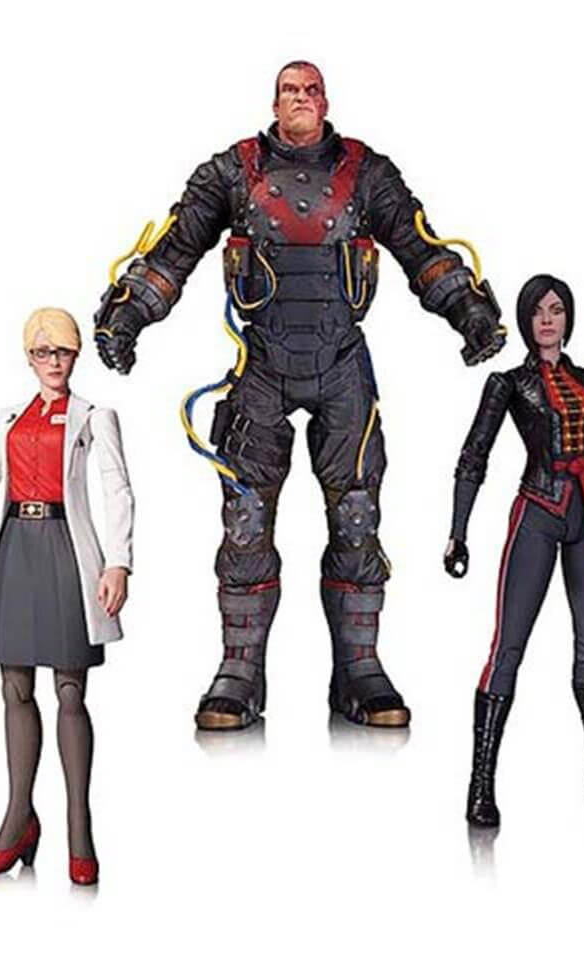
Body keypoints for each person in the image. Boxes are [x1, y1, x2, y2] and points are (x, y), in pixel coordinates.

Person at [94, 60, 505, 731]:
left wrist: (469, 312)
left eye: (312, 90)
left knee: (357, 517)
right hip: (261, 365)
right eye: (291, 90)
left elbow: (419, 248)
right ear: (274, 102)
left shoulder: (368, 173)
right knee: (246, 520)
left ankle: (360, 669)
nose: (302, 99)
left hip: (342, 364)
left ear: (327, 101)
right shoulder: (232, 172)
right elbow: (174, 251)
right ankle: (239, 672)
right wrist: (128, 316)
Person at [0, 307, 134, 884]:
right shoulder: (10, 420)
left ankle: (80, 830)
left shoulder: (95, 416)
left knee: (70, 689)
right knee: (14, 687)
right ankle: (18, 821)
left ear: (75, 355)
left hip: (65, 550)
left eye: (62, 352)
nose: (53, 362)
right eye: (43, 353)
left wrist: (118, 562)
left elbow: (117, 488)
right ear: (29, 358)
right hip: (15, 548)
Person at [444, 274, 584, 827]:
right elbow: (474, 456)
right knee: (508, 647)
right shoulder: (508, 384)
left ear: (568, 318)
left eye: (556, 310)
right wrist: (458, 531)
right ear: (524, 319)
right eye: (538, 311)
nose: (547, 319)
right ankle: (480, 783)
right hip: (538, 512)